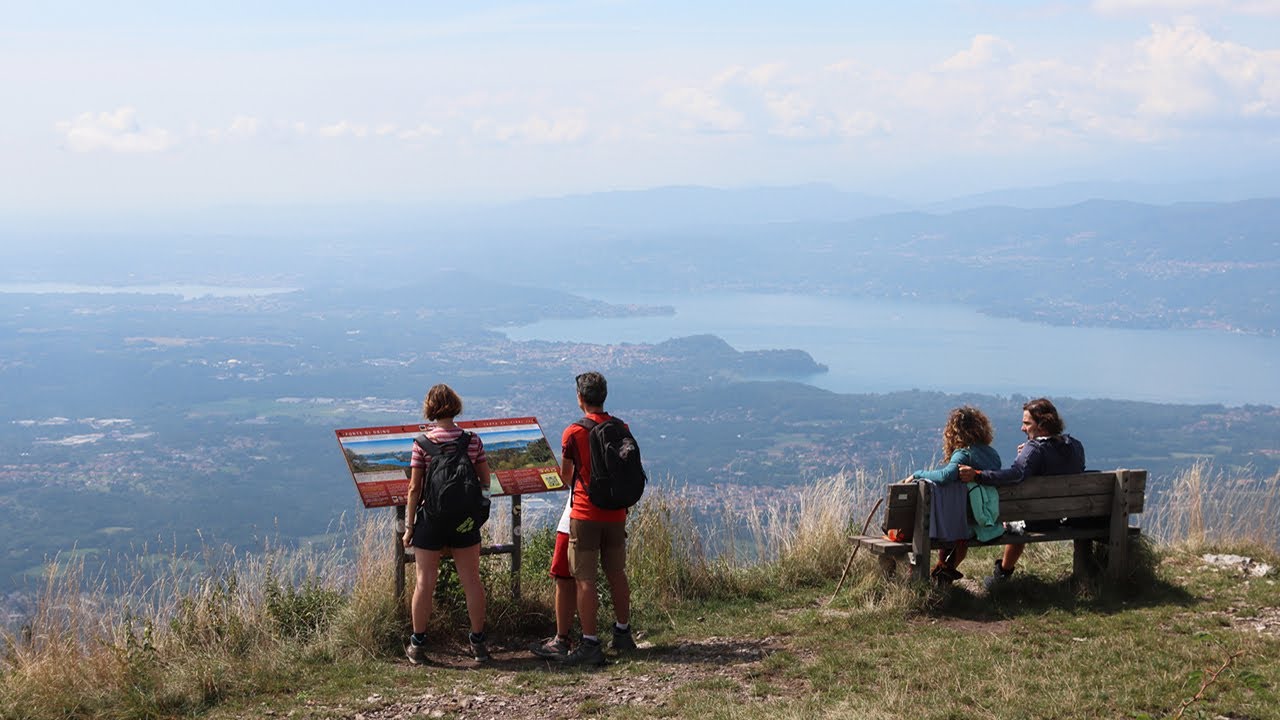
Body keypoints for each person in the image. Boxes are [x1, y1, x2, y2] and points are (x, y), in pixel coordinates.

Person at [402, 384, 492, 665]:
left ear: (429, 408)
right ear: (455, 405)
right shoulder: (472, 441)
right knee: (472, 582)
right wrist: (482, 509)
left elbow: (415, 489)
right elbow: (485, 480)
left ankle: (418, 644)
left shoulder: (422, 444)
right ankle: (477, 643)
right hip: (465, 522)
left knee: (424, 582)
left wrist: (409, 527)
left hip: (432, 521)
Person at [958, 397, 1086, 587]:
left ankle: (1002, 575)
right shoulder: (1075, 445)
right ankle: (1085, 576)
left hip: (1037, 520)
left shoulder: (1035, 449)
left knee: (1015, 520)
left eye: (1027, 423)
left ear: (1042, 425)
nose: (1022, 428)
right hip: (1068, 517)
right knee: (1021, 516)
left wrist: (977, 475)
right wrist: (1027, 455)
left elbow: (1015, 474)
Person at [558, 371, 636, 666]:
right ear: (604, 396)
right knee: (617, 572)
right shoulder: (621, 426)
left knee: (585, 578)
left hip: (585, 514)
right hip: (616, 512)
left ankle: (590, 642)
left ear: (580, 398)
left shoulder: (573, 432)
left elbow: (567, 476)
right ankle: (623, 632)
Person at [906, 406, 1002, 582]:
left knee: (951, 520)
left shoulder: (963, 454)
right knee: (958, 525)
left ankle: (936, 572)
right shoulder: (993, 455)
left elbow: (945, 476)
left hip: (963, 525)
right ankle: (944, 570)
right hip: (985, 518)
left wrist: (918, 473)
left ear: (953, 432)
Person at [528, 493, 577, 659]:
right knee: (610, 575)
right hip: (614, 517)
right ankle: (621, 631)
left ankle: (562, 639)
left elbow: (566, 475)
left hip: (575, 518)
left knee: (564, 579)